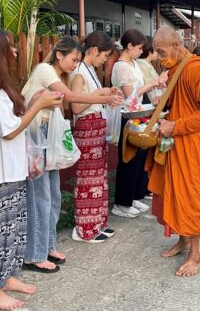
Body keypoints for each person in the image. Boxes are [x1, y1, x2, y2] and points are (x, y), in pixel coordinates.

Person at [22, 37, 120, 273]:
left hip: (48, 143)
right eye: (74, 59)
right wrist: (103, 98)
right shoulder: (45, 70)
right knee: (40, 199)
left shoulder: (58, 76)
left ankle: (48, 246)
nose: (76, 64)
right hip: (35, 143)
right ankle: (34, 255)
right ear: (59, 55)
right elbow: (72, 98)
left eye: (78, 61)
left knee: (53, 197)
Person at [147, 26, 200, 277]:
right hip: (172, 141)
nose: (158, 57)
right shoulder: (175, 70)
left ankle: (196, 254)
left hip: (189, 144)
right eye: (156, 52)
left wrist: (175, 125)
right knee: (173, 192)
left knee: (190, 196)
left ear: (177, 45)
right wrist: (165, 105)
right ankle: (183, 240)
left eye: (161, 51)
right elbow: (181, 103)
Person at [0, 31, 63, 310]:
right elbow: (10, 131)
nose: (15, 51)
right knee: (3, 230)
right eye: (10, 47)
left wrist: (36, 99)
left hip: (15, 169)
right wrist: (39, 103)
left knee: (14, 229)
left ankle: (8, 278)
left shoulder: (6, 87)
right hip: (3, 172)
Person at [70, 32, 123, 243]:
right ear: (94, 51)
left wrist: (105, 92)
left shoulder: (88, 69)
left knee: (98, 178)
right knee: (88, 179)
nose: (105, 60)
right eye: (105, 55)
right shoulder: (80, 72)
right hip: (87, 128)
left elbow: (92, 97)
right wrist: (101, 96)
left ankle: (97, 223)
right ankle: (85, 227)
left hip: (96, 127)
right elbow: (76, 106)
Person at [111, 29, 166, 218]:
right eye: (139, 48)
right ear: (129, 46)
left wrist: (156, 84)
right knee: (127, 159)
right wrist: (152, 84)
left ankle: (134, 196)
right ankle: (122, 202)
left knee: (139, 158)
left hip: (138, 113)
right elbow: (129, 95)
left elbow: (139, 92)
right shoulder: (120, 66)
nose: (141, 51)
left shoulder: (133, 63)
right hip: (126, 116)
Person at [136, 38, 167, 104]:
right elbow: (146, 86)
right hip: (149, 102)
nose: (158, 54)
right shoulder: (142, 65)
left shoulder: (147, 64)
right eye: (156, 51)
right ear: (150, 52)